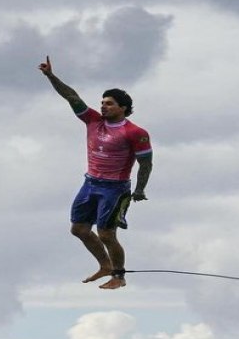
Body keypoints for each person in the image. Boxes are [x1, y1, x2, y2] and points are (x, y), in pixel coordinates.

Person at [38, 56, 153, 290]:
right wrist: (51, 76)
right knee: (78, 229)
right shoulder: (93, 120)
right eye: (102, 102)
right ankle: (105, 266)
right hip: (90, 183)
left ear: (123, 108)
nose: (103, 106)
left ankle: (119, 277)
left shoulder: (135, 132)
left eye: (109, 103)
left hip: (115, 188)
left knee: (107, 234)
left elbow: (146, 163)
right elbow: (71, 97)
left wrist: (139, 190)